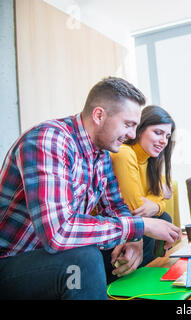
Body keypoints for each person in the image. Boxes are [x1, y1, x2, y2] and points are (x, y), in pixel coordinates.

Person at [0, 77, 181, 299]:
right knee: (84, 258)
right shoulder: (49, 139)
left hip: (59, 255)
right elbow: (59, 233)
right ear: (98, 115)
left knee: (148, 234)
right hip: (13, 262)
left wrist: (134, 239)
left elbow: (115, 205)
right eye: (128, 125)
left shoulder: (102, 153)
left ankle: (123, 292)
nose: (132, 135)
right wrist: (138, 226)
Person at [108, 105, 176, 284]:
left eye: (167, 136)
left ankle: (147, 275)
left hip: (129, 227)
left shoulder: (150, 161)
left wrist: (156, 204)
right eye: (158, 132)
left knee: (164, 216)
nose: (163, 141)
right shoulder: (124, 153)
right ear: (139, 130)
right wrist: (157, 201)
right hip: (110, 230)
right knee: (162, 219)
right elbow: (136, 209)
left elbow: (164, 193)